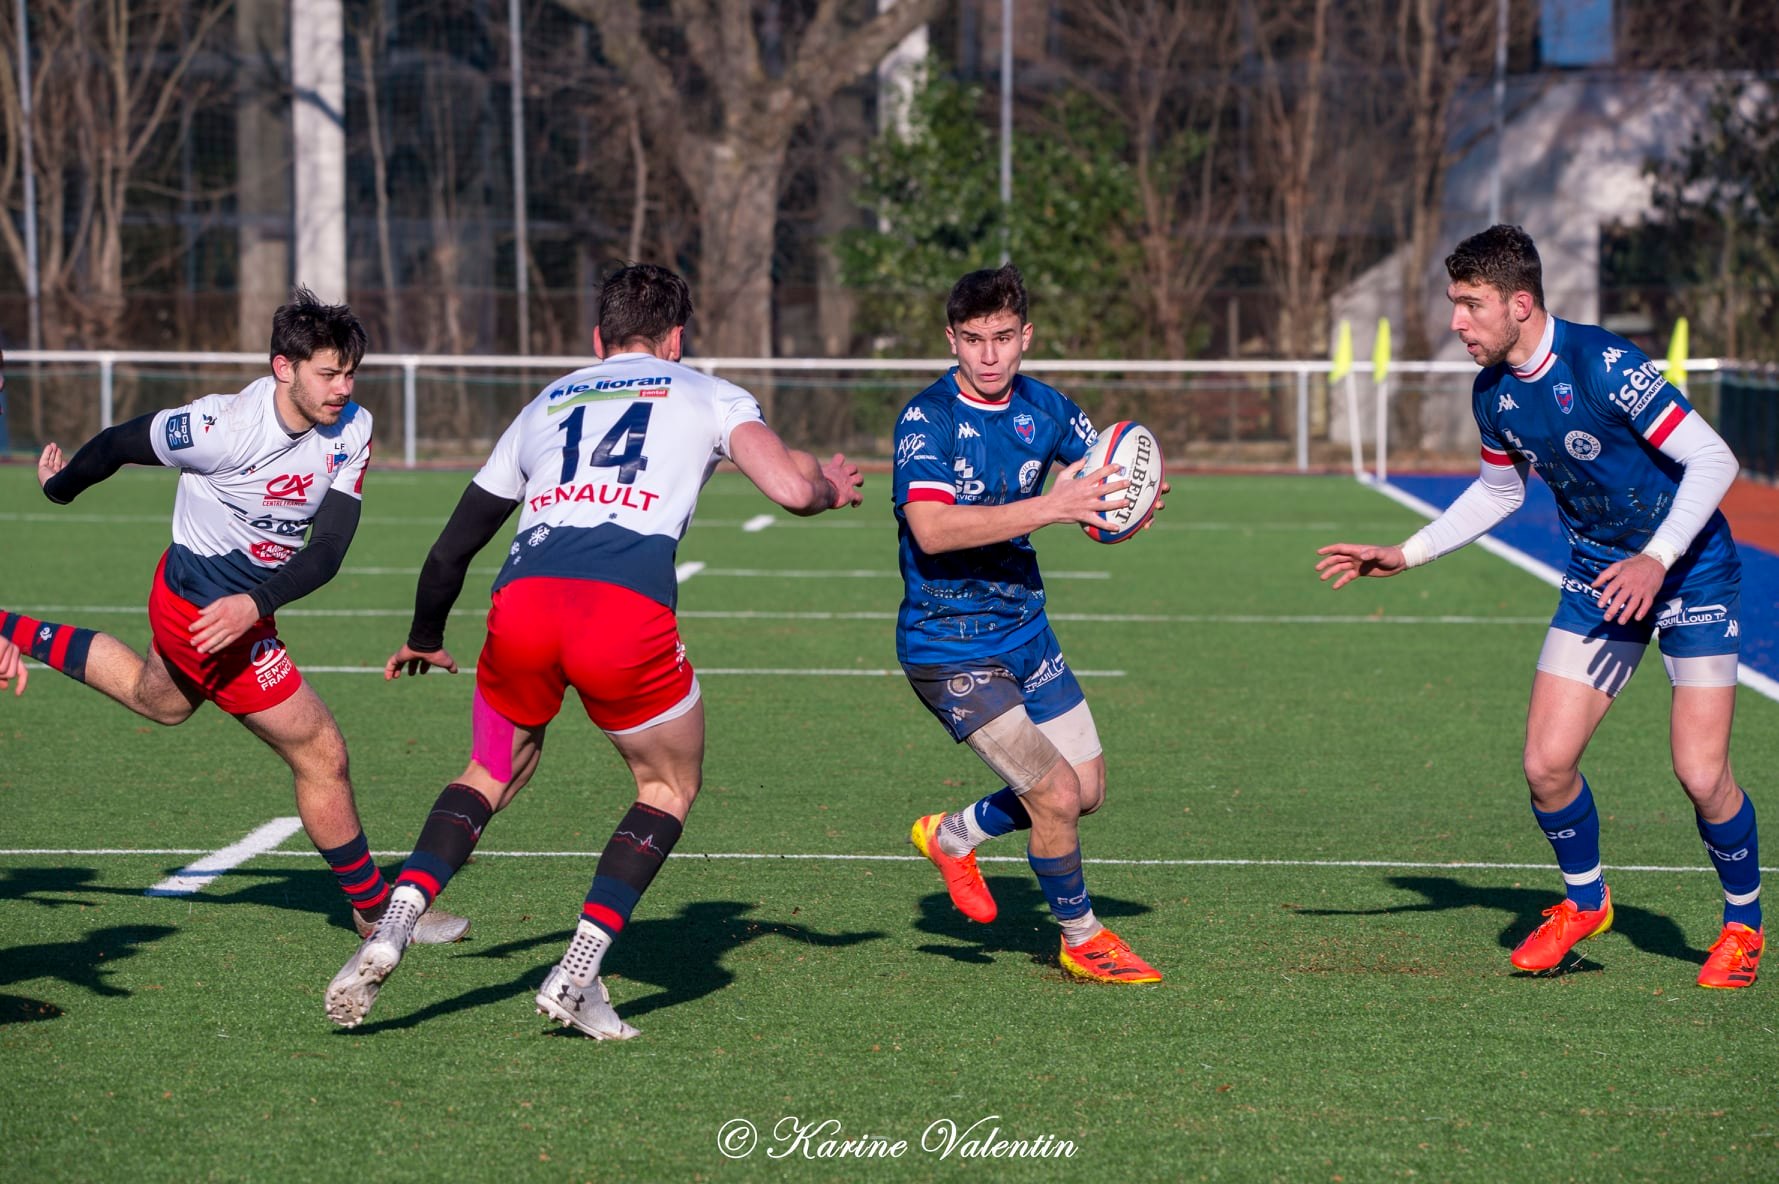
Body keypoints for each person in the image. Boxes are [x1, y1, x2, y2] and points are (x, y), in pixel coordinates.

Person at [324, 262, 864, 1037]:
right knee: (667, 784)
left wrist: (426, 637)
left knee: (490, 768)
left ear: (597, 339)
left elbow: (450, 550)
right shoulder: (708, 393)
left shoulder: (546, 402)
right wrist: (828, 490)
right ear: (675, 339)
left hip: (522, 605)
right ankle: (578, 970)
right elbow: (788, 487)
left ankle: (396, 919)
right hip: (621, 611)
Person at [1316, 224, 1761, 989]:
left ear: (1518, 303)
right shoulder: (1492, 393)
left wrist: (1655, 559)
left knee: (1699, 773)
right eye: (1454, 303)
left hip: (1688, 573)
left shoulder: (1603, 365)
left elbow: (1711, 458)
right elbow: (1499, 491)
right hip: (1597, 579)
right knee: (1545, 766)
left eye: (1470, 304)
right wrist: (1407, 552)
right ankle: (1585, 903)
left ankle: (1742, 925)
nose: (1456, 321)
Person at [3, 288, 467, 945]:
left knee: (159, 699)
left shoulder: (352, 429)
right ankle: (373, 911)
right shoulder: (218, 427)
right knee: (320, 750)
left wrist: (254, 603)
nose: (343, 388)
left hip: (238, 605)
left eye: (350, 373)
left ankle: (9, 628)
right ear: (284, 367)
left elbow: (329, 549)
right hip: (204, 611)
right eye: (328, 374)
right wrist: (60, 487)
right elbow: (117, 443)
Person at [896, 263, 1166, 984]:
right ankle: (1082, 938)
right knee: (1053, 796)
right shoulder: (927, 420)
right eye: (973, 339)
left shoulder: (1048, 408)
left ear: (1027, 336)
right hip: (949, 643)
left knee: (1086, 789)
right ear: (951, 339)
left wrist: (1129, 501)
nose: (989, 355)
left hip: (1025, 628)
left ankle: (953, 835)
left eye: (1003, 337)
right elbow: (931, 530)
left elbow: (1098, 480)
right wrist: (1054, 506)